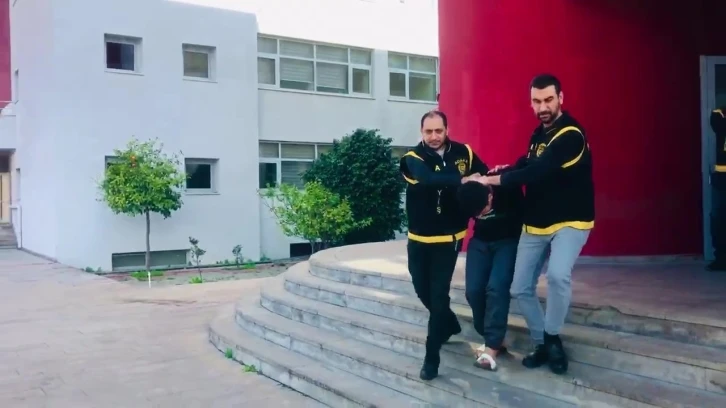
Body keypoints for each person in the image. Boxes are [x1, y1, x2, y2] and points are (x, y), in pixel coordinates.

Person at [473, 74, 595, 375]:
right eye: (537, 101)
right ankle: (542, 343)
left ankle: (552, 339)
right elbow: (527, 164)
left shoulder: (571, 135)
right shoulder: (538, 135)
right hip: (537, 221)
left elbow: (537, 172)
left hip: (571, 220)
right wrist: (504, 170)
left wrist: (489, 180)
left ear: (560, 98)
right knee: (520, 287)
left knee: (557, 275)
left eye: (548, 100)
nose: (543, 107)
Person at [399, 110, 488, 381]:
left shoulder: (464, 153)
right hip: (419, 238)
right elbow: (428, 179)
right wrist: (462, 179)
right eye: (429, 131)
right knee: (422, 290)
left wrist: (478, 191)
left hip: (449, 238)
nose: (434, 136)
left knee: (438, 296)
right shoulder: (411, 159)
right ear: (421, 132)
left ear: (447, 130)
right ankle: (448, 322)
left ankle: (431, 358)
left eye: (439, 131)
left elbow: (483, 174)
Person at [457, 178, 524, 371]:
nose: (481, 215)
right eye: (477, 214)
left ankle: (492, 347)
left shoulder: (507, 189)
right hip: (480, 243)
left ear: (490, 195)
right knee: (473, 291)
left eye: (483, 210)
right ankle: (492, 338)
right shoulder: (468, 196)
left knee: (496, 288)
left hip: (507, 242)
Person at [709, 107, 726, 271]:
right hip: (722, 179)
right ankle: (721, 258)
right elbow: (715, 116)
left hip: (721, 180)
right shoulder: (720, 117)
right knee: (719, 220)